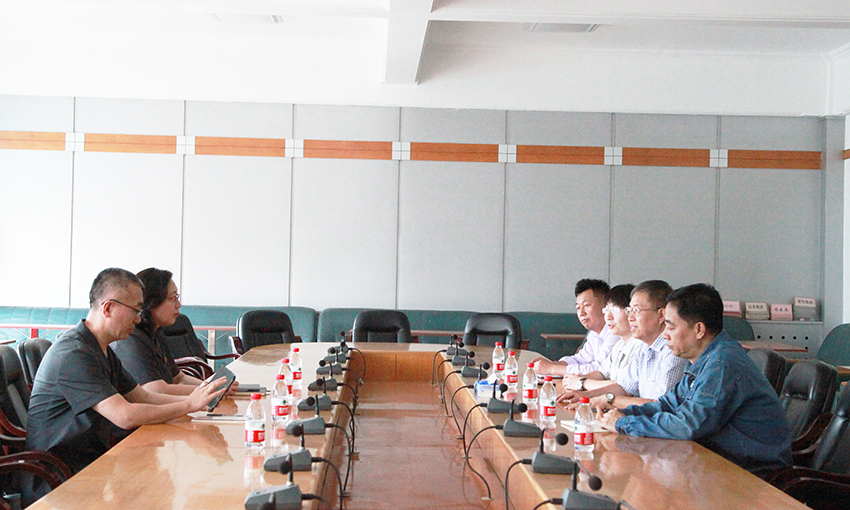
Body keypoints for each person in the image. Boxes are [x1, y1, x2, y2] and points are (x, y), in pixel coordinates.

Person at [24, 268, 228, 501]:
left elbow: (143, 397)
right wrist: (188, 405)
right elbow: (125, 416)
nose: (139, 319)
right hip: (60, 479)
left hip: (96, 460)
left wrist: (200, 399)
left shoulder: (100, 348)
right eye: (135, 310)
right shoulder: (74, 353)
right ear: (108, 308)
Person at [598, 283, 792, 476]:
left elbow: (687, 425)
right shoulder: (702, 360)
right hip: (718, 463)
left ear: (699, 330)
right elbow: (669, 405)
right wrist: (621, 414)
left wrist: (625, 423)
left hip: (752, 474)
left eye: (671, 327)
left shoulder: (722, 363)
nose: (664, 335)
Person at [561, 280, 687, 410]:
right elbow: (624, 387)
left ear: (661, 315)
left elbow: (660, 406)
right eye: (629, 310)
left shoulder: (673, 351)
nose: (630, 317)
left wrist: (607, 400)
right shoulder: (645, 348)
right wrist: (585, 397)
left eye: (636, 310)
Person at [112, 268, 204, 395]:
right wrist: (209, 391)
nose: (178, 305)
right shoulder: (131, 339)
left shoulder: (156, 333)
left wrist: (213, 386)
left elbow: (178, 378)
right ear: (152, 303)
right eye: (173, 298)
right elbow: (155, 390)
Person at [557, 284, 643, 403]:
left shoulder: (641, 346)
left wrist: (581, 383)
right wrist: (576, 379)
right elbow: (602, 373)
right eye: (606, 310)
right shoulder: (620, 344)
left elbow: (623, 387)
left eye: (615, 310)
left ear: (631, 312)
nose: (608, 317)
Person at [533, 279, 620, 376]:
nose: (581, 313)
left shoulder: (616, 333)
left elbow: (600, 370)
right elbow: (580, 359)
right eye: (578, 307)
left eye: (586, 305)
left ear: (605, 306)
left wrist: (552, 369)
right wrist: (553, 364)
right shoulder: (594, 333)